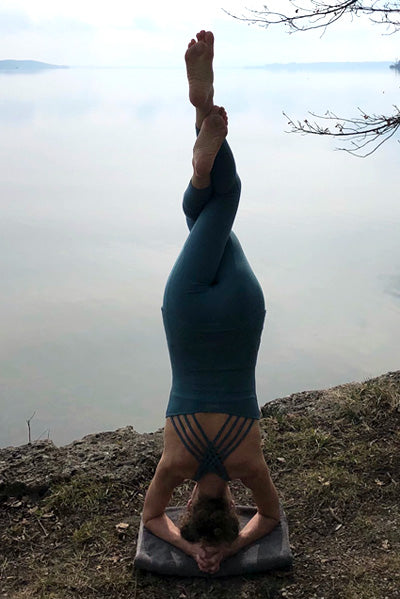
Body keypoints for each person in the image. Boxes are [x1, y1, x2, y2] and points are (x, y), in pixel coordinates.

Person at [142, 30, 280, 575]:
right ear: (195, 505)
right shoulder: (174, 463)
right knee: (207, 209)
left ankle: (203, 126)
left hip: (244, 310)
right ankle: (200, 125)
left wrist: (231, 546)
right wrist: (191, 545)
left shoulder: (251, 462)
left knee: (217, 206)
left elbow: (268, 519)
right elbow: (154, 520)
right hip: (186, 311)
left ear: (228, 506)